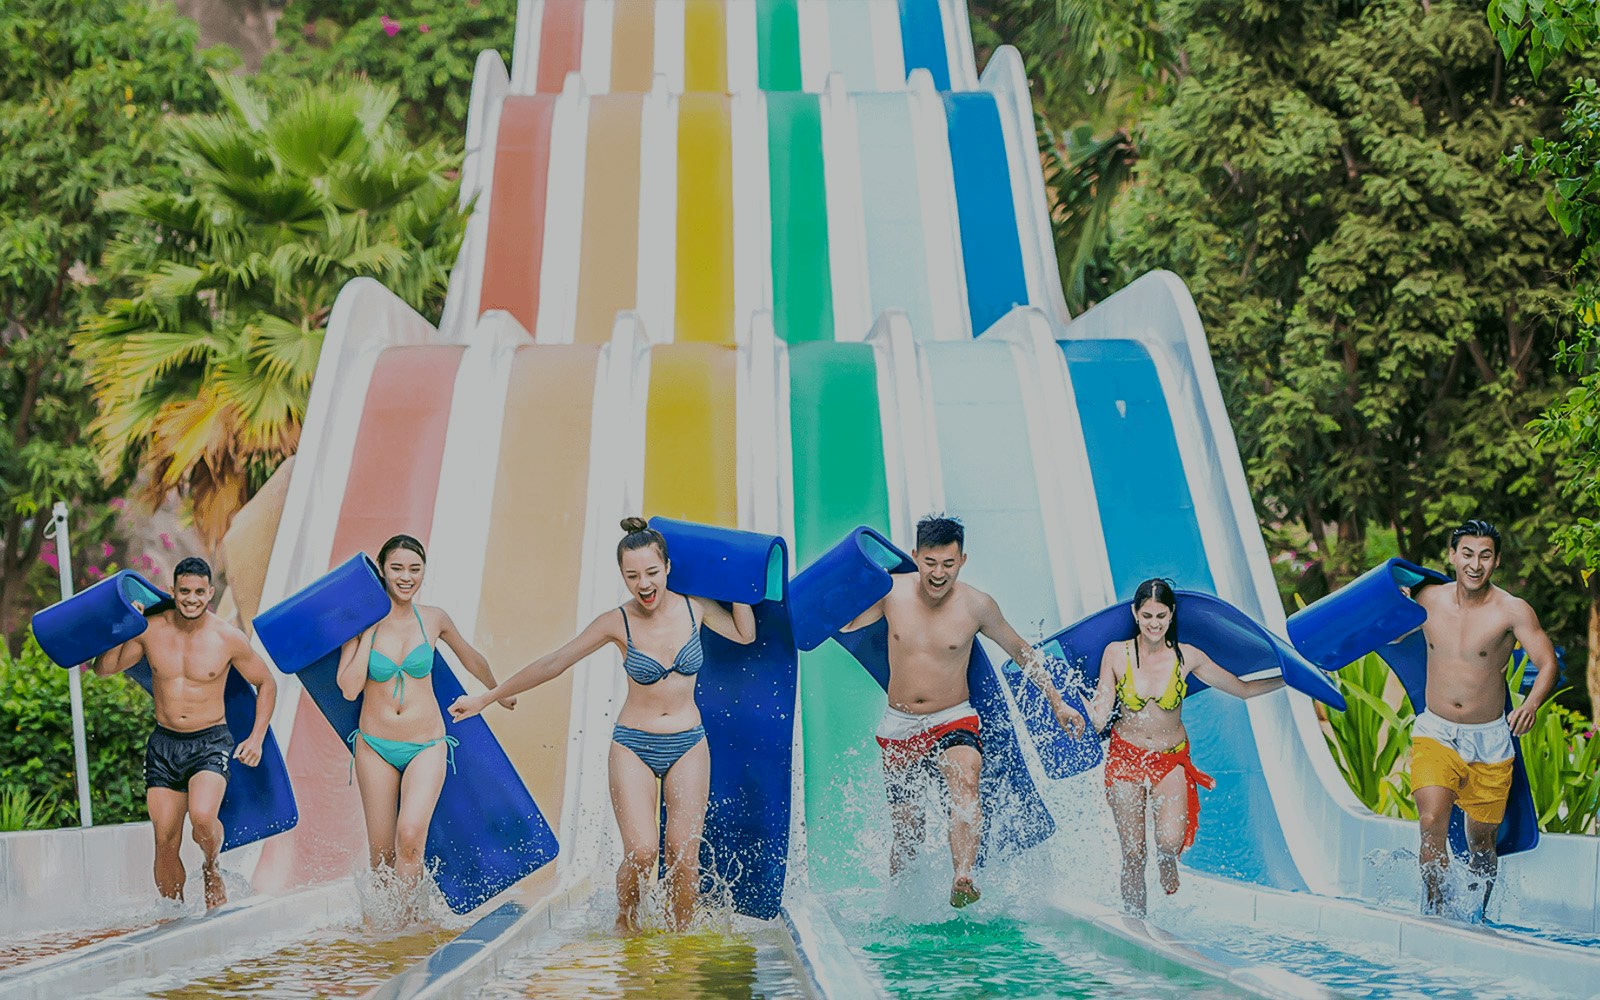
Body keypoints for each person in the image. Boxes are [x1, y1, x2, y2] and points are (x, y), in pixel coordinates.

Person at [449, 518, 756, 933]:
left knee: (684, 855)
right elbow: (554, 662)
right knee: (644, 851)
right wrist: (486, 697)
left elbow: (744, 633)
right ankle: (625, 925)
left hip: (688, 743)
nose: (643, 584)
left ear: (668, 567)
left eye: (651, 573)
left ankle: (681, 942)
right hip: (634, 745)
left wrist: (739, 580)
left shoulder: (695, 608)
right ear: (623, 576)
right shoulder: (618, 622)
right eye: (632, 576)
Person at [842, 515, 1086, 909]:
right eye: (930, 562)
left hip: (952, 718)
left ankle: (963, 875)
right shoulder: (890, 593)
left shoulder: (977, 606)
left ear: (963, 560)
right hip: (900, 726)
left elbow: (1022, 652)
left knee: (966, 780)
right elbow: (846, 624)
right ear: (915, 556)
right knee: (908, 830)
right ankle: (899, 901)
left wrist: (1057, 701)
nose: (938, 573)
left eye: (948, 564)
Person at [1083, 578, 1285, 917]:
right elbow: (1101, 716)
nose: (1154, 624)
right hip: (1125, 757)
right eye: (1147, 616)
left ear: (1171, 613)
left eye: (1161, 616)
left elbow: (1243, 689)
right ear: (1135, 614)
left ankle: (1167, 861)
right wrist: (1077, 710)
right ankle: (1136, 923)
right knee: (1133, 853)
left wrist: (1288, 677)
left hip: (1170, 758)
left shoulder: (1187, 657)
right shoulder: (1116, 653)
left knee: (1168, 841)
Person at [334, 534, 514, 906]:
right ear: (381, 570)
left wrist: (497, 691)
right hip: (375, 747)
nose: (406, 577)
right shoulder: (357, 624)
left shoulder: (434, 619)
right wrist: (369, 628)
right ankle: (386, 925)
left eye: (415, 569)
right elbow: (349, 689)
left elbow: (471, 657)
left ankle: (405, 925)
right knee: (382, 856)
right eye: (397, 568)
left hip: (426, 744)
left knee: (411, 836)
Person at [95, 557, 277, 910]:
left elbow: (265, 682)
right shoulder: (150, 629)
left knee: (204, 817)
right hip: (165, 744)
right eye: (184, 592)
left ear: (209, 592)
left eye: (198, 592)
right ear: (172, 591)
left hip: (210, 741)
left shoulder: (226, 638)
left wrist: (255, 738)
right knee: (164, 839)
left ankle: (211, 865)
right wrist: (124, 625)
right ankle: (174, 916)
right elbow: (104, 669)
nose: (191, 599)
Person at [1407, 519, 1558, 915]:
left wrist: (1530, 704)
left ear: (1496, 561)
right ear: (1452, 555)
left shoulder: (1511, 611)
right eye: (1468, 554)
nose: (1475, 564)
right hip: (1435, 731)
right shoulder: (1426, 599)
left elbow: (1547, 664)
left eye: (1485, 556)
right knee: (1431, 822)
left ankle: (1475, 917)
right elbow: (1382, 627)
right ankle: (1435, 910)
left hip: (1489, 739)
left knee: (1481, 842)